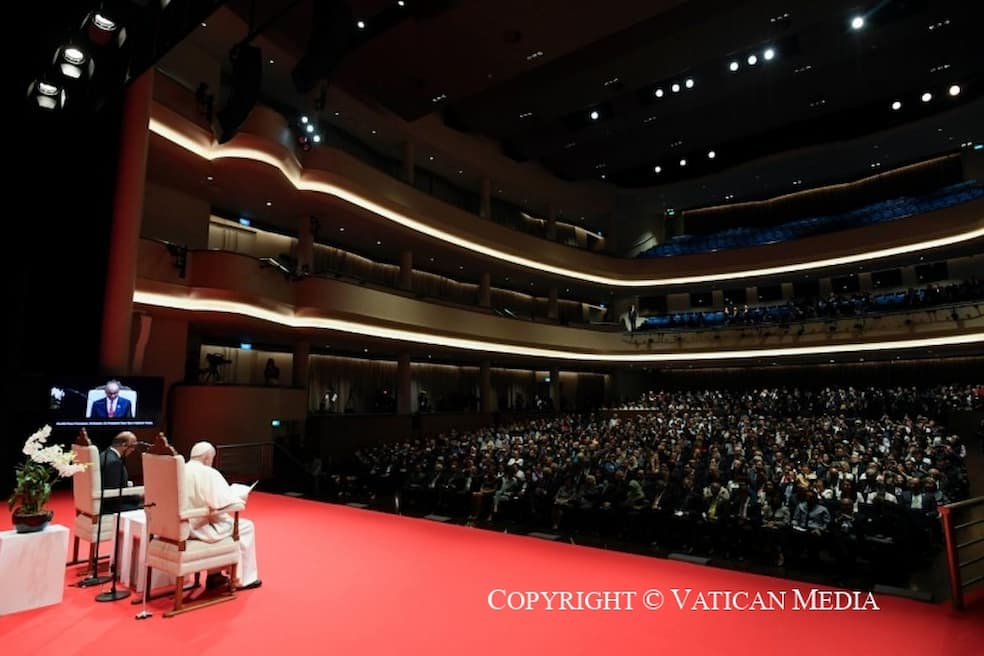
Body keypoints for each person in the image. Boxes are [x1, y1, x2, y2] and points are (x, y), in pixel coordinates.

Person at [184, 441, 261, 590]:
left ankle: (215, 575)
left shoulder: (180, 469)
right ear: (207, 458)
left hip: (181, 526)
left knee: (224, 521)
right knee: (246, 526)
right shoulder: (208, 473)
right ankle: (243, 579)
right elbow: (223, 502)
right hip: (200, 528)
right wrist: (240, 496)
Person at [100, 431, 143, 513]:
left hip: (105, 501)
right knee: (150, 506)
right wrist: (138, 496)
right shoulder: (114, 462)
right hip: (111, 507)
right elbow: (114, 494)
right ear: (124, 445)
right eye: (133, 446)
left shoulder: (104, 454)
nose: (133, 450)